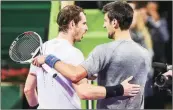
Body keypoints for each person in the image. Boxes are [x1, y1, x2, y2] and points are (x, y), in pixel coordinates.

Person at [33, 1, 151, 109]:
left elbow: (76, 76)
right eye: (84, 23)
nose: (104, 25)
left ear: (114, 22)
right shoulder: (145, 54)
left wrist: (49, 58)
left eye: (105, 21)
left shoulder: (103, 51)